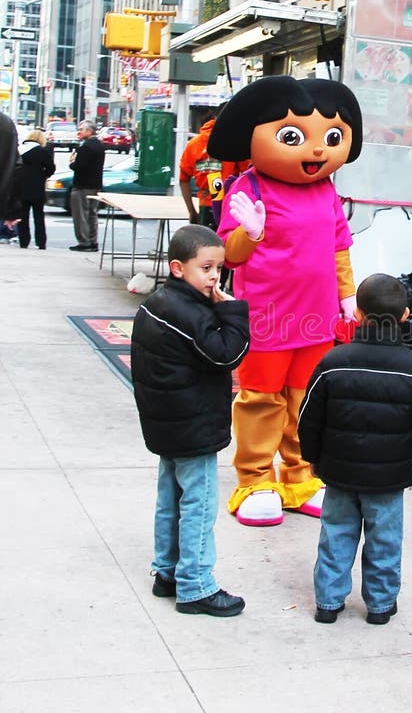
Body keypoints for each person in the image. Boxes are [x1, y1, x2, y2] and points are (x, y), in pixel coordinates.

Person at [209, 76, 363, 527]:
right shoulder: (248, 189)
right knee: (260, 398)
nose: (317, 150)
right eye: (295, 137)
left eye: (331, 138)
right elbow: (230, 256)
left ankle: (299, 477)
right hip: (267, 317)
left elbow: (339, 248)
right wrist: (249, 232)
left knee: (306, 399)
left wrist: (348, 295)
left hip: (316, 318)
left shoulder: (326, 191)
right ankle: (255, 478)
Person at [298, 273, 412, 625]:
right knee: (385, 541)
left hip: (340, 473)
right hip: (389, 478)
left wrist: (313, 457)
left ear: (358, 315)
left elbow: (308, 417)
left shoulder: (334, 361)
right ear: (406, 315)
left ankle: (329, 602)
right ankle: (380, 605)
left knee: (336, 535)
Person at [130, 224, 251, 617]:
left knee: (170, 498)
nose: (215, 276)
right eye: (207, 268)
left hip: (166, 422)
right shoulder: (190, 315)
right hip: (193, 425)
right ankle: (196, 585)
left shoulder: (158, 303)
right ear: (179, 268)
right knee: (197, 504)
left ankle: (167, 572)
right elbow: (227, 355)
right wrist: (231, 311)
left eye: (219, 268)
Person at [178, 108, 249, 228]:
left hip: (205, 206)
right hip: (229, 206)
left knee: (206, 244)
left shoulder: (193, 144)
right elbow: (248, 174)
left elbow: (183, 179)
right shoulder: (234, 143)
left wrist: (191, 211)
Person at [15, 129, 55, 250]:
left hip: (21, 187)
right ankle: (41, 242)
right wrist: (44, 174)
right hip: (37, 187)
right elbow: (51, 168)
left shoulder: (19, 150)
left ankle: (24, 241)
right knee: (39, 216)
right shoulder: (42, 151)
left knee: (23, 216)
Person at [68, 120, 105, 251]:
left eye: (82, 129)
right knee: (92, 214)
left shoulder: (86, 146)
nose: (80, 131)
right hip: (95, 185)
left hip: (82, 185)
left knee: (81, 215)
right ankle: (93, 241)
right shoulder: (100, 145)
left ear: (89, 131)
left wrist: (72, 163)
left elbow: (80, 166)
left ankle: (84, 242)